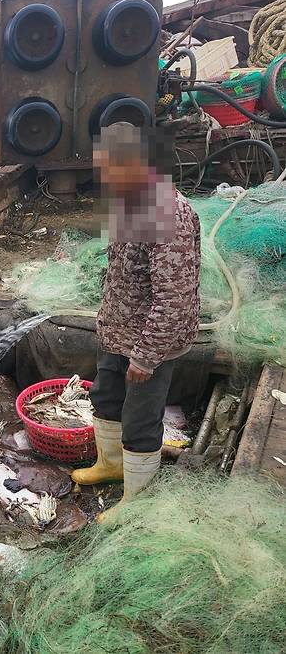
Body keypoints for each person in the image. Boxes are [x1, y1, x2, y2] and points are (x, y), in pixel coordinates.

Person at [71, 124, 201, 520]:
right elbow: (123, 273)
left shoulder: (167, 214)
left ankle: (136, 500)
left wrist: (146, 357)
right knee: (106, 400)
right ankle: (110, 465)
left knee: (141, 420)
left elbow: (173, 298)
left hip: (150, 343)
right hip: (117, 333)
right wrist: (107, 326)